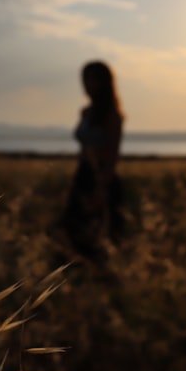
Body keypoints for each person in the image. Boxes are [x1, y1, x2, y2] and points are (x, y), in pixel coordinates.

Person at [60, 60, 125, 261]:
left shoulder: (113, 116)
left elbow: (113, 154)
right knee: (73, 226)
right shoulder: (86, 113)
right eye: (85, 79)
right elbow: (84, 148)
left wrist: (101, 187)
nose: (87, 84)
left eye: (92, 79)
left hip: (102, 177)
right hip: (83, 175)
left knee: (101, 230)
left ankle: (98, 274)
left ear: (104, 83)